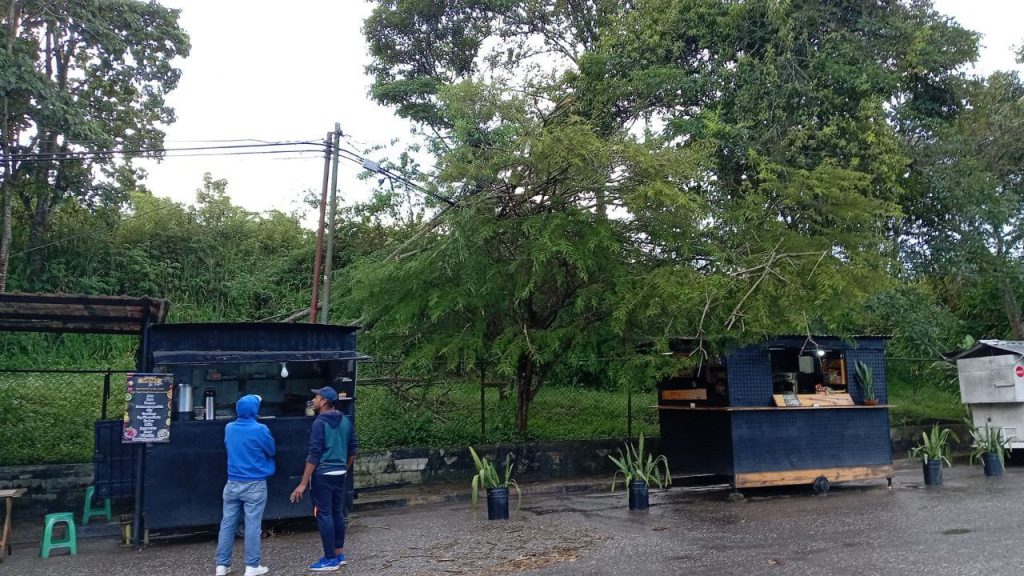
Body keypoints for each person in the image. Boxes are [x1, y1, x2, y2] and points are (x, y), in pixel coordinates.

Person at [290, 386, 357, 572]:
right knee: (337, 513)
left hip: (323, 475)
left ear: (324, 401)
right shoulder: (345, 421)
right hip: (339, 474)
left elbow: (314, 455)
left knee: (324, 514)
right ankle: (339, 554)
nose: (314, 399)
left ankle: (329, 559)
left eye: (317, 396)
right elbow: (353, 450)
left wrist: (303, 484)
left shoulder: (319, 423)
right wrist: (343, 468)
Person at [215, 394, 276, 576]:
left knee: (227, 524)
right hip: (255, 484)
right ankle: (251, 566)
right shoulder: (261, 429)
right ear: (255, 410)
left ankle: (221, 566)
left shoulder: (229, 428)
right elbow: (271, 450)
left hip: (232, 482)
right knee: (252, 525)